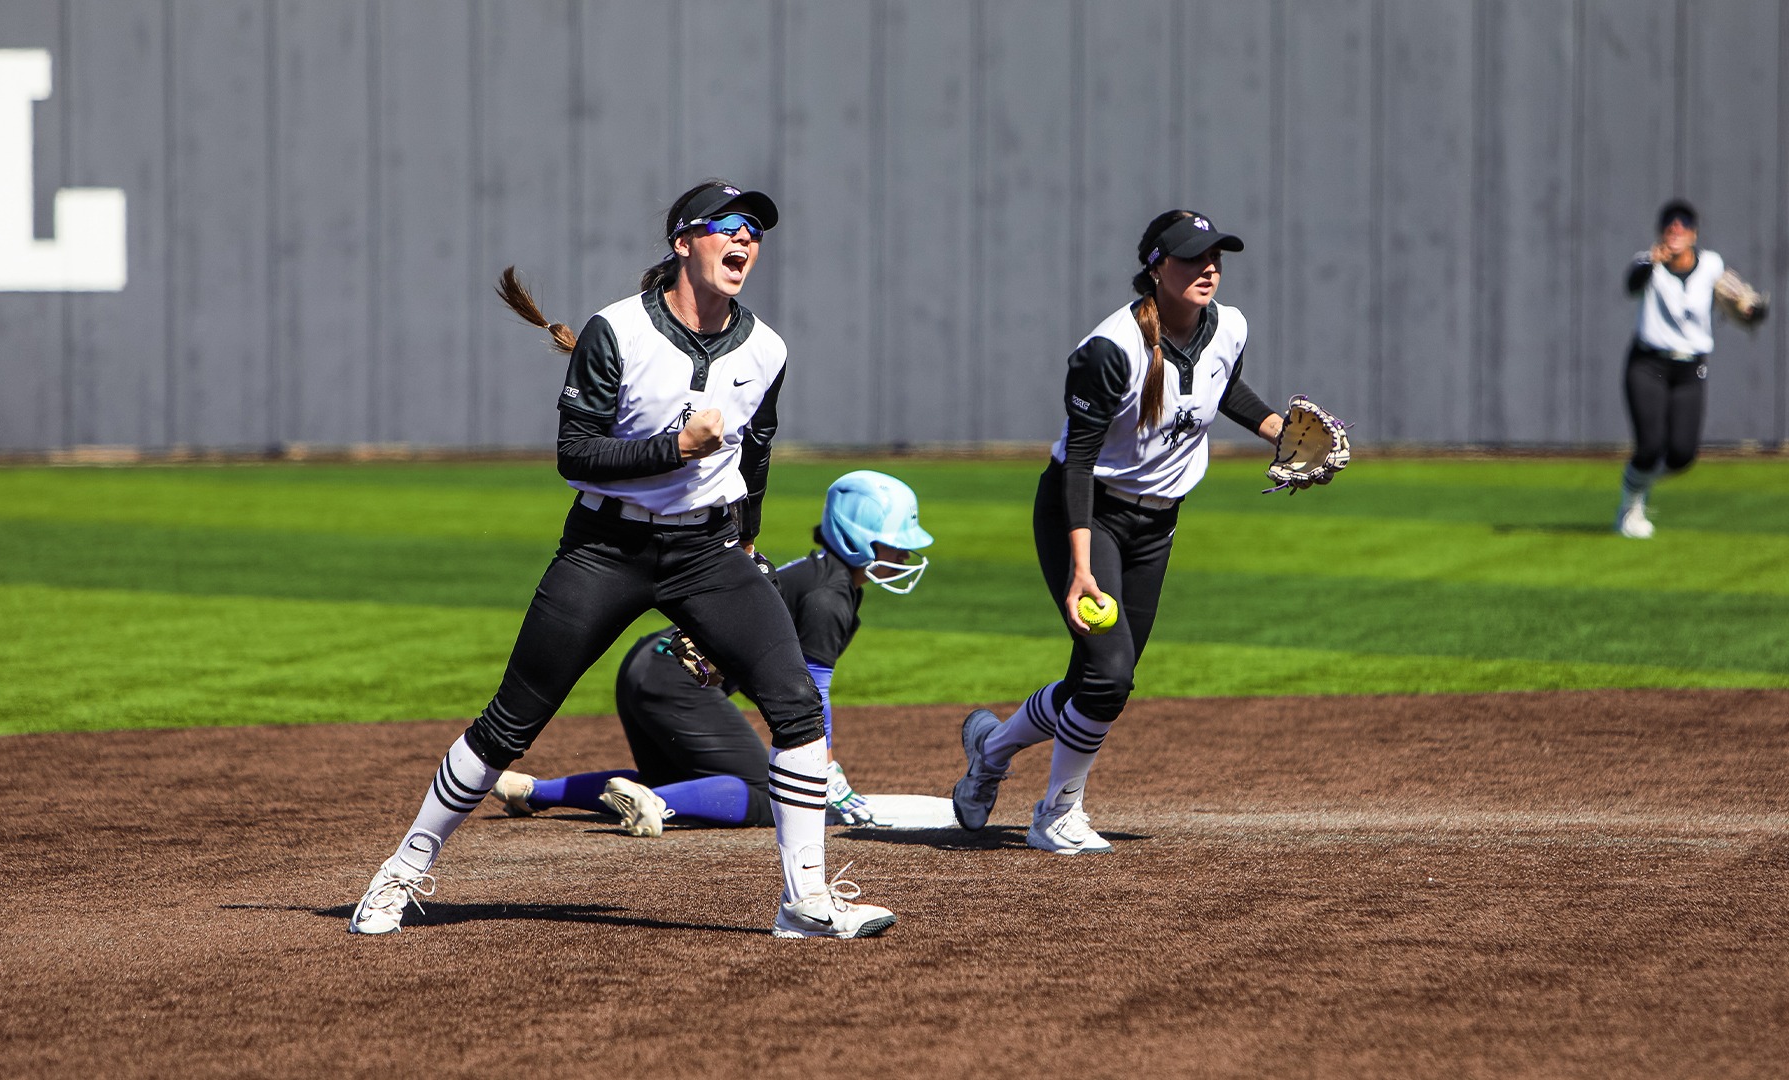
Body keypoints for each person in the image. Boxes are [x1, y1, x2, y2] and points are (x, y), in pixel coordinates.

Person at [348, 180, 896, 939]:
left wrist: (745, 537)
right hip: (607, 549)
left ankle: (804, 902)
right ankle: (401, 872)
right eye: (728, 225)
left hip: (707, 549)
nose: (745, 239)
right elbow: (575, 455)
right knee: (511, 721)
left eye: (756, 230)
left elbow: (757, 450)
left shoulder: (766, 348)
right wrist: (677, 448)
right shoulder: (618, 331)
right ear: (683, 242)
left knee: (796, 707)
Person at [950, 209, 1286, 854]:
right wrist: (1080, 569)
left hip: (1158, 521)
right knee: (1109, 678)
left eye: (1215, 256)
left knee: (1097, 677)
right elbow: (1078, 460)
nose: (1208, 268)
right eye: (1191, 257)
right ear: (1156, 268)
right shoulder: (1112, 349)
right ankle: (1056, 814)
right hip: (1085, 513)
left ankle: (990, 749)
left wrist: (1277, 430)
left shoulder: (1230, 326)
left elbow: (1223, 387)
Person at [488, 471, 933, 836]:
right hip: (679, 679)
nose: (903, 554)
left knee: (683, 780)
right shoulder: (830, 597)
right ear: (858, 537)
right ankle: (656, 804)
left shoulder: (819, 577)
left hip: (647, 665)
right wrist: (824, 768)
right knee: (770, 792)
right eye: (894, 543)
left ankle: (533, 791)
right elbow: (814, 685)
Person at [1616, 198, 1765, 539]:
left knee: (1682, 455)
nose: (1676, 231)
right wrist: (1651, 262)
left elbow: (1737, 297)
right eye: (1670, 226)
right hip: (1649, 363)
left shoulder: (1710, 265)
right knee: (1649, 446)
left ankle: (1639, 486)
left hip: (1689, 368)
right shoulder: (1647, 262)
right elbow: (1632, 285)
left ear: (1694, 234)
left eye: (1683, 226)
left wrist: (1750, 309)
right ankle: (1630, 505)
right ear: (1661, 233)